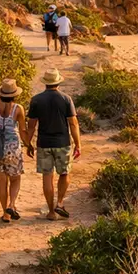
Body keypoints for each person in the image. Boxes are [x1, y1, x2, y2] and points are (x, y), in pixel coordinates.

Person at [25, 68, 80, 222]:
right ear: (58, 82)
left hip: (43, 143)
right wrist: (78, 144)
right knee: (64, 173)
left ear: (45, 83)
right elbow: (73, 124)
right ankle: (60, 203)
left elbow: (31, 126)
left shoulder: (36, 100)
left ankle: (51, 211)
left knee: (47, 177)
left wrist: (28, 144)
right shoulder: (66, 99)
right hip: (62, 143)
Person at [0, 78, 26, 223]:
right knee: (15, 179)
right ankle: (12, 205)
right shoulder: (18, 108)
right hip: (12, 147)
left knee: (1, 182)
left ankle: (5, 214)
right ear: (14, 94)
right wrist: (29, 144)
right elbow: (22, 129)